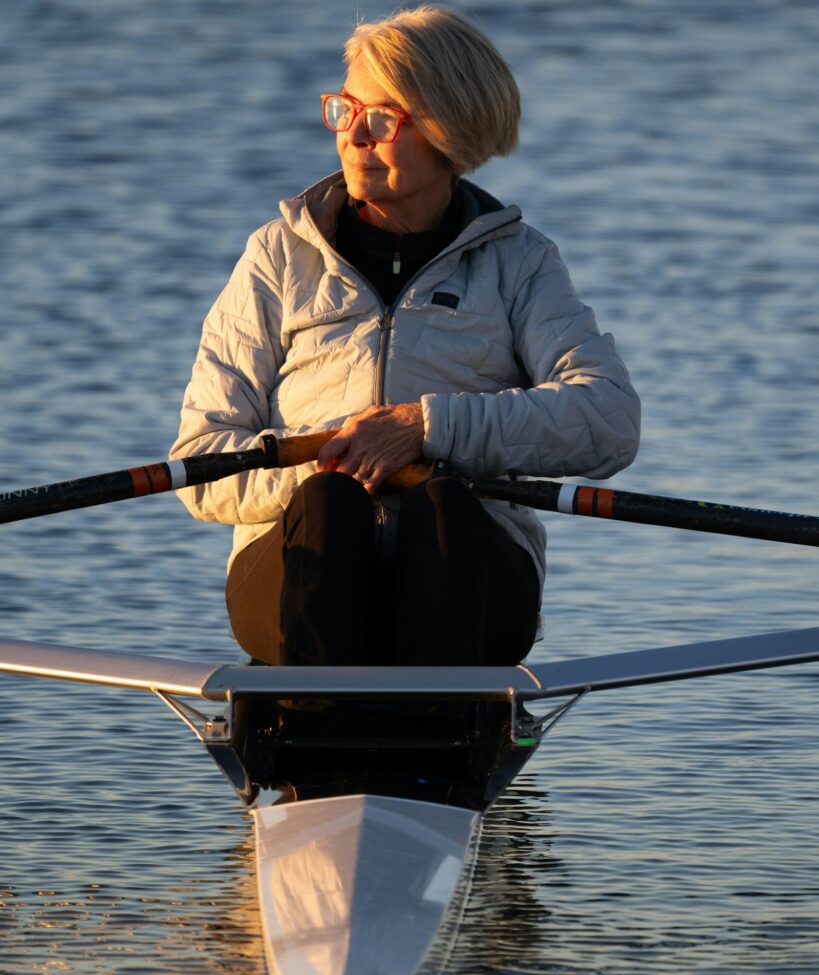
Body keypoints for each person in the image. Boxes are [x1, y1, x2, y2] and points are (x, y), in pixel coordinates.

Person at [170, 4, 640, 668]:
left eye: (383, 119)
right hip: (295, 559)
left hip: (471, 567)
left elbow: (608, 420)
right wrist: (330, 461)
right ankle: (320, 712)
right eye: (345, 110)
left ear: (450, 129)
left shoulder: (520, 263)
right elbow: (200, 464)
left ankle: (435, 717)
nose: (354, 136)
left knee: (442, 504)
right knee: (330, 503)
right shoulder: (276, 258)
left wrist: (427, 429)